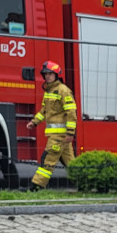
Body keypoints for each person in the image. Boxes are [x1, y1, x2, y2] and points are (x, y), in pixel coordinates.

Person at [24, 61, 76, 192]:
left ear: (56, 75)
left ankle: (36, 186)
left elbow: (71, 112)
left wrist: (70, 133)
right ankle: (85, 183)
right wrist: (34, 122)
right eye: (45, 74)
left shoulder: (63, 90)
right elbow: (44, 111)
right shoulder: (49, 91)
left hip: (60, 135)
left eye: (50, 74)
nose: (47, 76)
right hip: (58, 135)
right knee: (71, 163)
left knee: (48, 159)